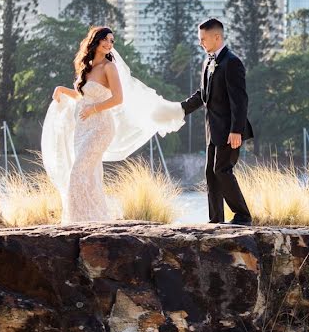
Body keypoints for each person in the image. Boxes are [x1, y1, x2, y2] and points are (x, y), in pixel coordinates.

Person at [43, 26, 185, 223]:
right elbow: (82, 96)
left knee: (78, 171)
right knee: (91, 174)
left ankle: (77, 220)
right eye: (106, 39)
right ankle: (94, 219)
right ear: (96, 40)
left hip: (101, 127)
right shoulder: (87, 66)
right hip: (82, 128)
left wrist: (94, 109)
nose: (109, 44)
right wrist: (62, 89)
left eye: (112, 41)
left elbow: (118, 98)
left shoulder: (110, 67)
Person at [181, 18, 254, 225]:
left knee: (222, 170)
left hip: (230, 131)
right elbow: (202, 95)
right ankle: (215, 220)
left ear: (216, 37)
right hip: (212, 130)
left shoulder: (232, 62)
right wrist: (179, 109)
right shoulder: (207, 62)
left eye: (203, 39)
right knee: (211, 173)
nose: (200, 43)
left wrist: (236, 130)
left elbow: (240, 100)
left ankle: (243, 216)